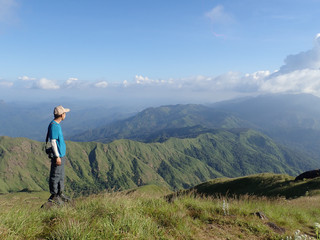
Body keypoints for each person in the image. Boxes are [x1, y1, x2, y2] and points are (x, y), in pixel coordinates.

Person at [47, 105, 71, 204]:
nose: (65, 114)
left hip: (61, 155)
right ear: (61, 115)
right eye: (65, 113)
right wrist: (57, 156)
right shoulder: (54, 126)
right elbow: (52, 141)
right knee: (56, 175)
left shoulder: (56, 124)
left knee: (61, 175)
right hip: (58, 156)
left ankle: (60, 193)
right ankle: (54, 195)